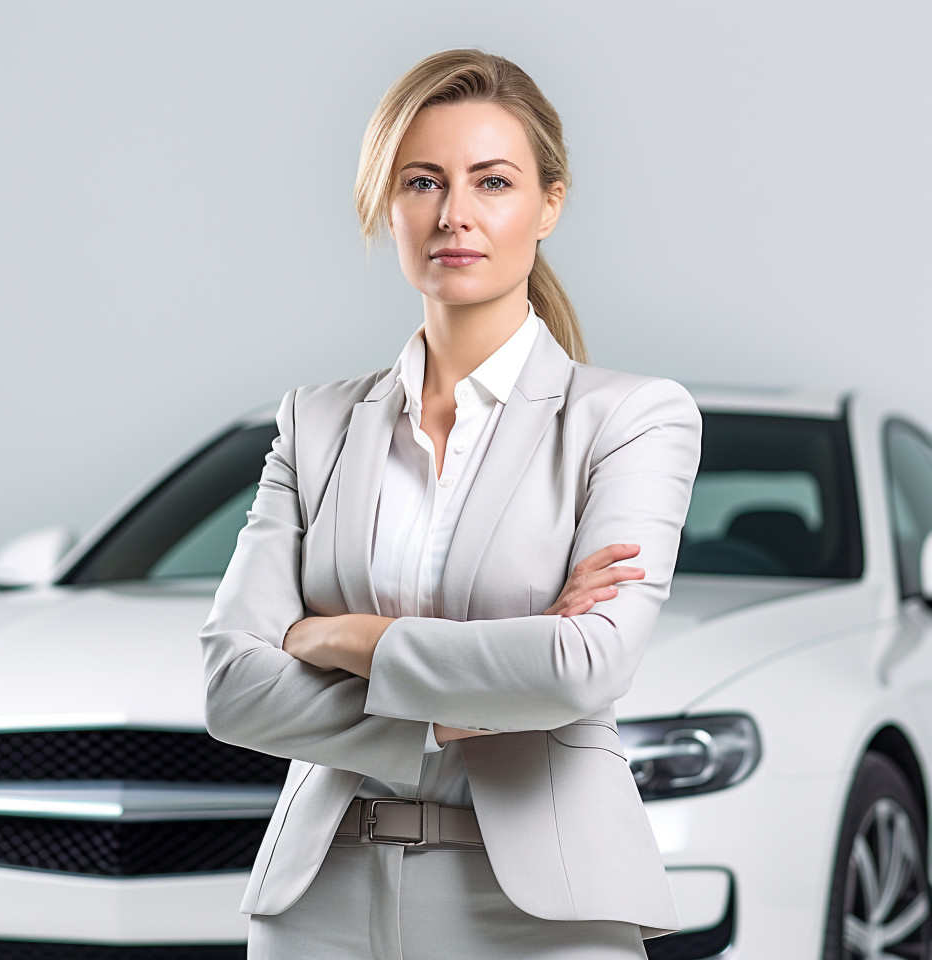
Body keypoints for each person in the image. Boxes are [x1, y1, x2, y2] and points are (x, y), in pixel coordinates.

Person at [199, 48, 701, 960]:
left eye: (493, 181)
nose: (454, 214)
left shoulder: (629, 417)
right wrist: (467, 701)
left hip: (543, 910)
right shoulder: (315, 424)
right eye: (422, 181)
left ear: (549, 202)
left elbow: (581, 665)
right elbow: (232, 689)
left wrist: (345, 639)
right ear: (386, 205)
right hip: (318, 896)